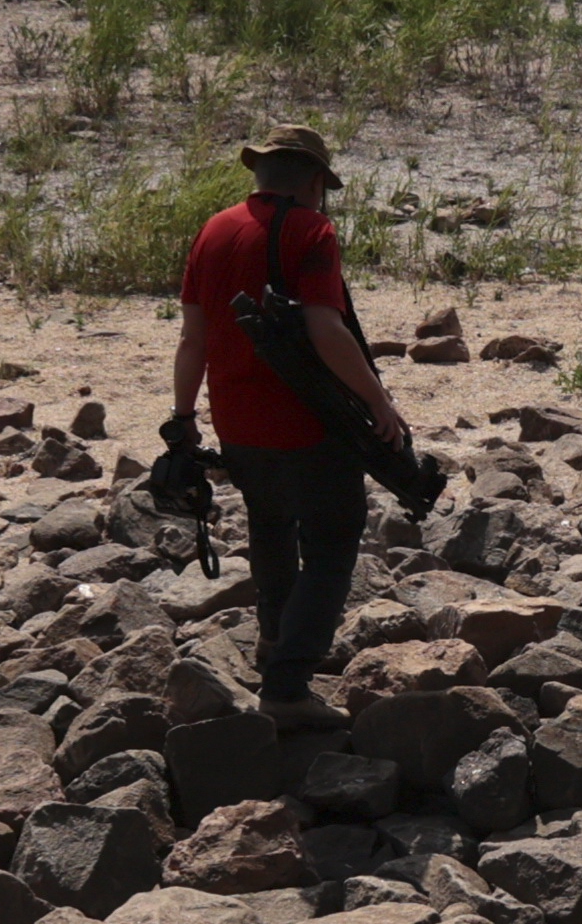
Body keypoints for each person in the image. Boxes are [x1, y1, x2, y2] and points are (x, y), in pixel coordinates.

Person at [169, 122, 412, 724]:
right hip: (306, 423)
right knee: (332, 543)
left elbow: (191, 340)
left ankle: (275, 643)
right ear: (312, 181)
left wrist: (182, 421)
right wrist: (379, 403)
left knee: (271, 529)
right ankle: (287, 688)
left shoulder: (213, 230)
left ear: (259, 173)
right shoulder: (312, 229)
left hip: (235, 420)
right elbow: (326, 330)